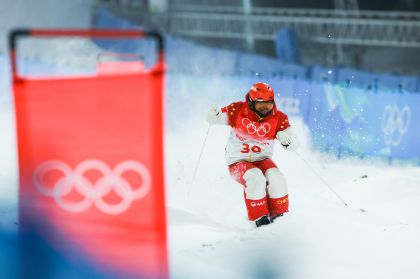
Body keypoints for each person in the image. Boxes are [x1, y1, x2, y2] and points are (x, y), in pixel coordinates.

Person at [206, 82, 299, 227]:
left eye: (268, 103)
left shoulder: (279, 118)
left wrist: (288, 141)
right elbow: (216, 119)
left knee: (277, 178)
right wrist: (212, 116)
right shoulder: (237, 110)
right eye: (260, 103)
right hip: (237, 162)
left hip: (262, 159)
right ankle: (259, 219)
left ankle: (280, 218)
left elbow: (294, 143)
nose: (265, 107)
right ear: (251, 102)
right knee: (255, 178)